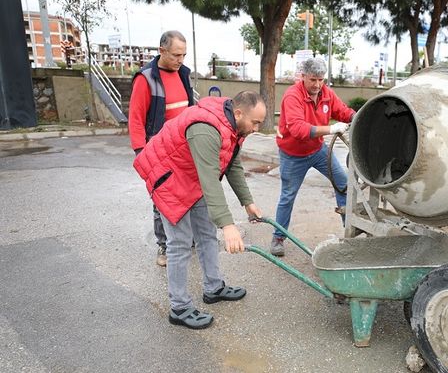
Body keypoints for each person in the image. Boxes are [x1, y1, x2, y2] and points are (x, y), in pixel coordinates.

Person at [133, 91, 265, 329]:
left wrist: (248, 201)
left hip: (192, 178)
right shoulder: (206, 128)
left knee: (206, 235)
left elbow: (231, 163)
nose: (257, 128)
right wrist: (228, 225)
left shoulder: (235, 127)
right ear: (238, 113)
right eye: (255, 122)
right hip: (170, 180)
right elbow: (210, 180)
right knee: (179, 244)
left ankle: (213, 288)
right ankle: (179, 307)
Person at [271, 58, 356, 257]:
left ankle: (349, 232)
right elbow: (298, 129)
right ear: (303, 77)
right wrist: (330, 129)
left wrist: (357, 117)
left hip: (318, 151)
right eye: (313, 80)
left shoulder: (326, 93)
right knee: (287, 196)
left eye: (321, 80)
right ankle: (278, 237)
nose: (317, 85)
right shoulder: (293, 96)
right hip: (293, 155)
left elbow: (342, 111)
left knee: (343, 183)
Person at [128, 30, 194, 267]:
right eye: (176, 55)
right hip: (159, 151)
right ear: (162, 51)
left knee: (190, 194)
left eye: (184, 55)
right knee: (162, 200)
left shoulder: (184, 74)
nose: (180, 60)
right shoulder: (146, 79)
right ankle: (164, 247)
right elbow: (135, 119)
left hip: (185, 148)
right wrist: (141, 153)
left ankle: (189, 240)